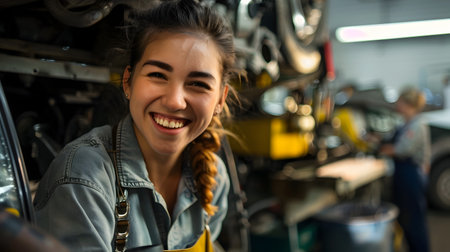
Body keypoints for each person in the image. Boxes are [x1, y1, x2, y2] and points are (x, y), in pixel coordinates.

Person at [33, 0, 240, 251]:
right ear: (129, 81)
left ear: (220, 99)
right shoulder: (83, 178)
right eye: (157, 75)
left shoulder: (214, 177)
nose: (174, 102)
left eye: (198, 83)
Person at [378, 87, 431, 252]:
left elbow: (402, 150)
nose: (397, 104)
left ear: (408, 104)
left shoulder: (417, 125)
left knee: (413, 219)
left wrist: (382, 148)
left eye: (399, 101)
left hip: (411, 175)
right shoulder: (407, 124)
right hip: (405, 174)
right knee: (405, 219)